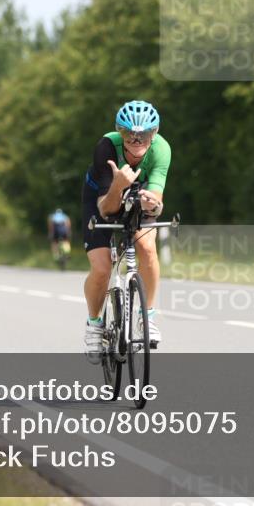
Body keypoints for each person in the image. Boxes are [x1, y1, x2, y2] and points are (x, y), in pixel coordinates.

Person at [82, 100, 170, 362]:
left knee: (147, 248)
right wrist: (118, 185)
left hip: (137, 198)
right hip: (102, 198)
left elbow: (155, 202)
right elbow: (106, 209)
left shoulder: (162, 150)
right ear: (121, 133)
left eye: (143, 134)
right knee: (101, 268)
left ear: (153, 134)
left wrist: (152, 204)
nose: (136, 139)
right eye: (129, 134)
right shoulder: (106, 147)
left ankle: (147, 317)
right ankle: (94, 324)